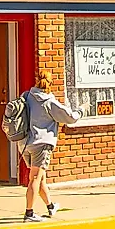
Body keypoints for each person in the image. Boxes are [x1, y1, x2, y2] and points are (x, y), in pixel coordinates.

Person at [13, 72, 70, 220]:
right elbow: (69, 117)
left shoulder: (26, 96)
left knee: (40, 178)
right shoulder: (49, 101)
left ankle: (50, 206)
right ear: (50, 83)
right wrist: (81, 111)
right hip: (41, 144)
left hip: (24, 144)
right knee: (35, 178)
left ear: (36, 80)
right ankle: (29, 213)